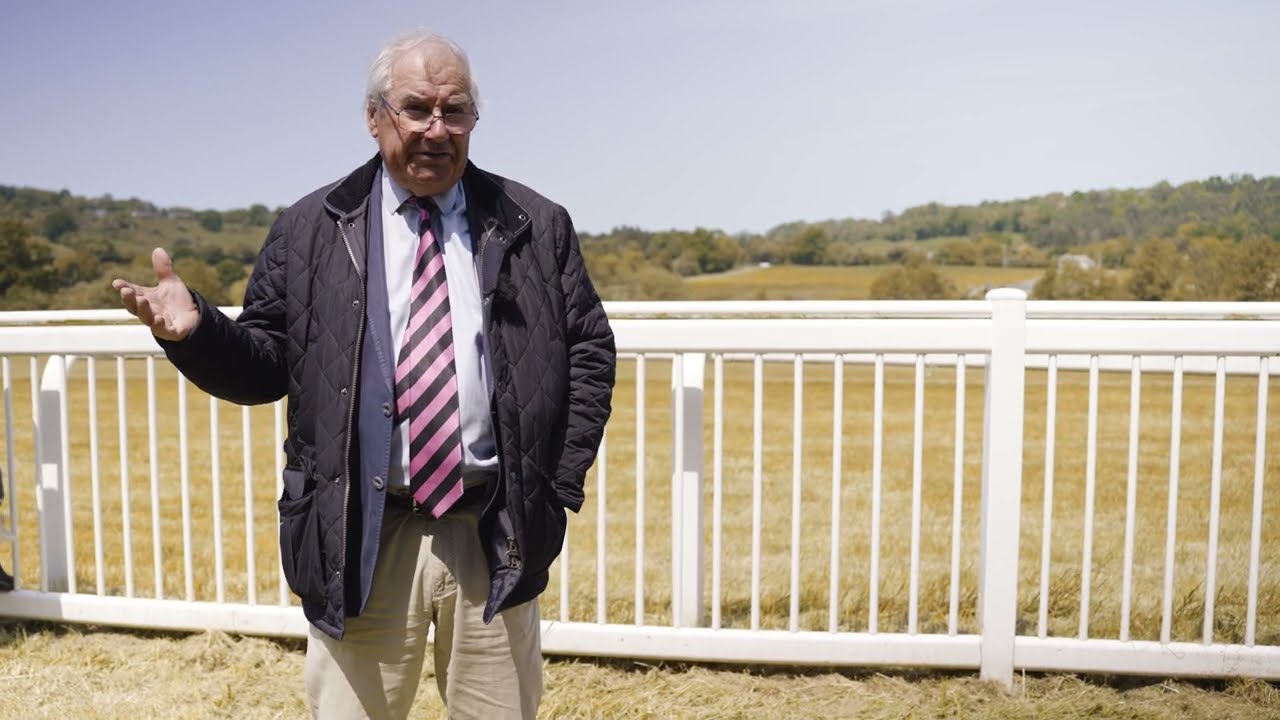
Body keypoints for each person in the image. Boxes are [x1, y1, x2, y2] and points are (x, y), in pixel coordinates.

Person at [112, 28, 615, 719]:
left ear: (473, 119)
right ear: (375, 117)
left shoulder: (533, 223)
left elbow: (589, 348)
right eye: (416, 108)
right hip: (361, 535)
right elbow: (267, 362)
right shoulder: (310, 229)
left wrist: (553, 486)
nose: (436, 129)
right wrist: (199, 333)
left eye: (455, 109)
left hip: (492, 532)